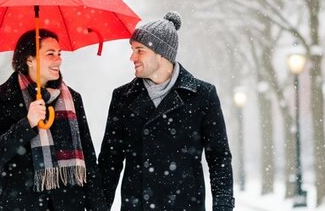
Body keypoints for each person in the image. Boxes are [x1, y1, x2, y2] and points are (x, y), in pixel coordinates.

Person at [98, 11, 234, 211]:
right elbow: (110, 161)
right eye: (132, 49)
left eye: (139, 50)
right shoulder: (123, 98)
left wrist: (223, 206)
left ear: (161, 54)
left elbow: (219, 158)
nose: (132, 57)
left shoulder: (202, 95)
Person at [0, 29, 106, 210]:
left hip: (67, 203)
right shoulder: (0, 99)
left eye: (59, 53)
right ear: (29, 60)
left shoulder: (72, 99)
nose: (59, 60)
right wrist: (27, 124)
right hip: (18, 203)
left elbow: (88, 159)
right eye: (50, 54)